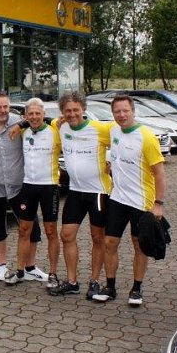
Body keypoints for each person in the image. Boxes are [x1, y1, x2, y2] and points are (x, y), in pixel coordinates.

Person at [93, 95, 167, 306]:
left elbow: (160, 174)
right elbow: (86, 125)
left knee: (139, 245)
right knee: (110, 243)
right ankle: (110, 287)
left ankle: (136, 289)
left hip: (141, 202)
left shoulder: (146, 137)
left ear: (133, 111)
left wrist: (158, 204)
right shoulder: (113, 131)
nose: (121, 115)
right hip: (117, 199)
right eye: (117, 111)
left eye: (125, 111)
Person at [0, 92, 45, 283]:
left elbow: (39, 121)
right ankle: (2, 266)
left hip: (19, 186)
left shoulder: (20, 123)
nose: (2, 111)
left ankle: (30, 268)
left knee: (31, 227)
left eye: (5, 106)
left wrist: (21, 124)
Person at [55, 92, 114, 298]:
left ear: (83, 109)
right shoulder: (60, 126)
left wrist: (113, 160)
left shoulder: (100, 129)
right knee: (66, 235)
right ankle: (72, 282)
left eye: (76, 110)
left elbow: (122, 139)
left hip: (98, 192)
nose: (72, 114)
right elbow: (43, 121)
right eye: (67, 111)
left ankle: (95, 281)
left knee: (97, 237)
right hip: (75, 191)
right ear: (62, 112)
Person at [9, 98, 60, 288]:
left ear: (44, 114)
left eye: (38, 113)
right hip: (28, 186)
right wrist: (20, 124)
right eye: (30, 113)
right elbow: (21, 124)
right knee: (24, 230)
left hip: (49, 186)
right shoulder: (23, 131)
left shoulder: (55, 131)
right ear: (25, 116)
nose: (34, 117)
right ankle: (20, 271)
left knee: (51, 231)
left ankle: (53, 274)